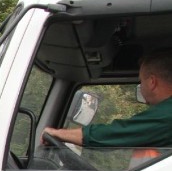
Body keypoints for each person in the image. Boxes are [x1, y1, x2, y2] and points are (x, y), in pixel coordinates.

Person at [43, 48, 172, 148]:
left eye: (141, 81)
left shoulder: (167, 114)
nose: (141, 87)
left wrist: (58, 134)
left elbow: (120, 133)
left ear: (152, 82)